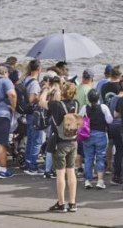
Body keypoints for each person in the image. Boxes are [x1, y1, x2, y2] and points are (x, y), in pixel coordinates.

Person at [45, 79, 81, 213]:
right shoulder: (76, 104)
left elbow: (42, 102)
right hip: (73, 141)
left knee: (60, 173)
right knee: (71, 171)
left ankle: (61, 203)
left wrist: (47, 91)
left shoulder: (56, 105)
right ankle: (72, 203)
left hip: (60, 142)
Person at [18, 59, 44, 175]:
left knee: (30, 139)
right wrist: (42, 96)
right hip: (34, 113)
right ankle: (32, 166)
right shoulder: (34, 83)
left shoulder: (26, 79)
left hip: (28, 114)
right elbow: (32, 99)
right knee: (36, 140)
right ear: (39, 69)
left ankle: (28, 163)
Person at [82, 88, 112, 190]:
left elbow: (79, 119)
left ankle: (87, 180)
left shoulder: (84, 108)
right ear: (98, 98)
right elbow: (110, 120)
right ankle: (100, 181)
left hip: (88, 135)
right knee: (100, 157)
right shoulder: (103, 107)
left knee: (88, 157)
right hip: (100, 134)